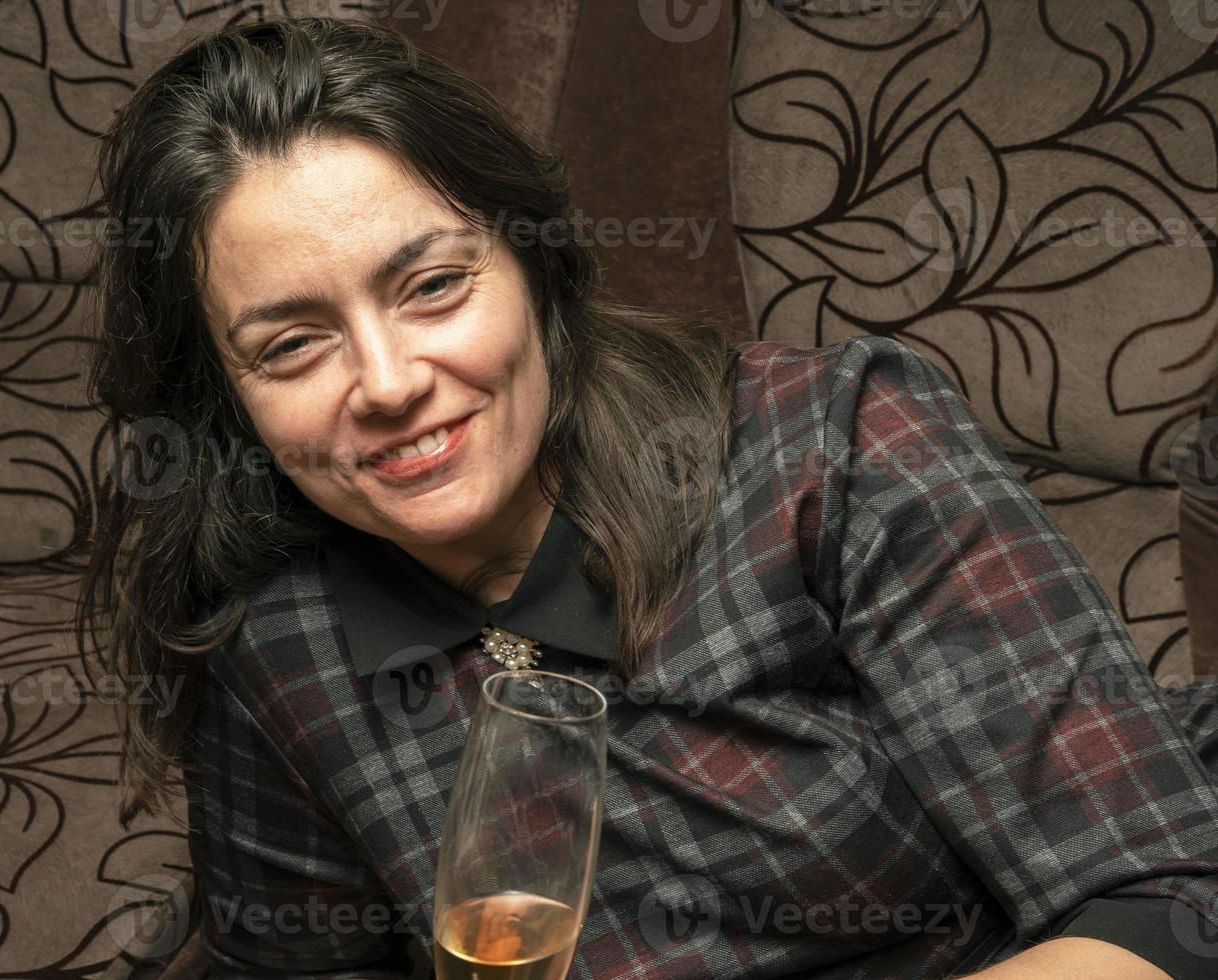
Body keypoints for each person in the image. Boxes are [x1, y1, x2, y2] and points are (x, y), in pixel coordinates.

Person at [74, 15, 1218, 980]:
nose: (388, 384)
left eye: (431, 285)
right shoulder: (277, 648)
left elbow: (1159, 896)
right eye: (292, 345)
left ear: (532, 264)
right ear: (228, 394)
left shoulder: (838, 445)